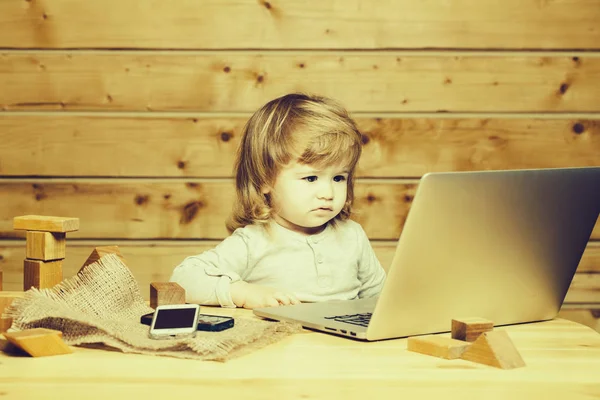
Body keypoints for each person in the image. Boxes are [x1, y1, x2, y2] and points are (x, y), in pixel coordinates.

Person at [170, 93, 386, 309]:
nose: (328, 193)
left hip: (342, 343)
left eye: (339, 178)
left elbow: (382, 298)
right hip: (280, 339)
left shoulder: (352, 236)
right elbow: (183, 279)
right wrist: (242, 293)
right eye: (311, 178)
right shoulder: (254, 241)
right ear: (265, 180)